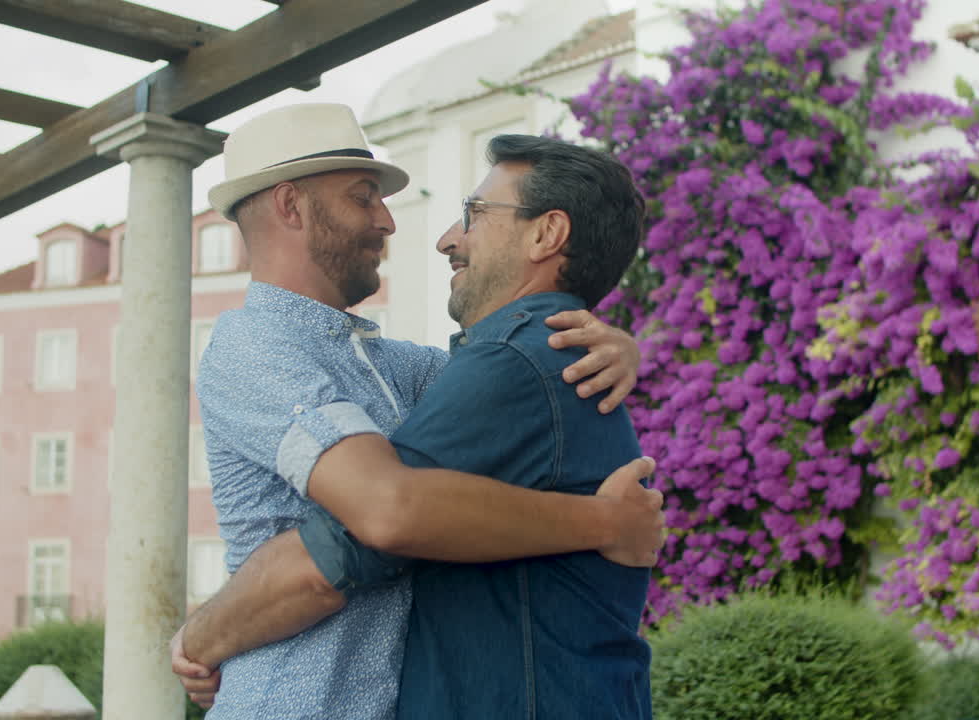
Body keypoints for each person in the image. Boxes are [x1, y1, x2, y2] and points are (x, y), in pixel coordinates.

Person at [172, 104, 661, 719]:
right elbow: (383, 512)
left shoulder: (395, 364)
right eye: (363, 198)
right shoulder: (252, 346)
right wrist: (603, 523)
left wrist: (617, 342)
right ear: (291, 206)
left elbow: (514, 372)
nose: (388, 221)